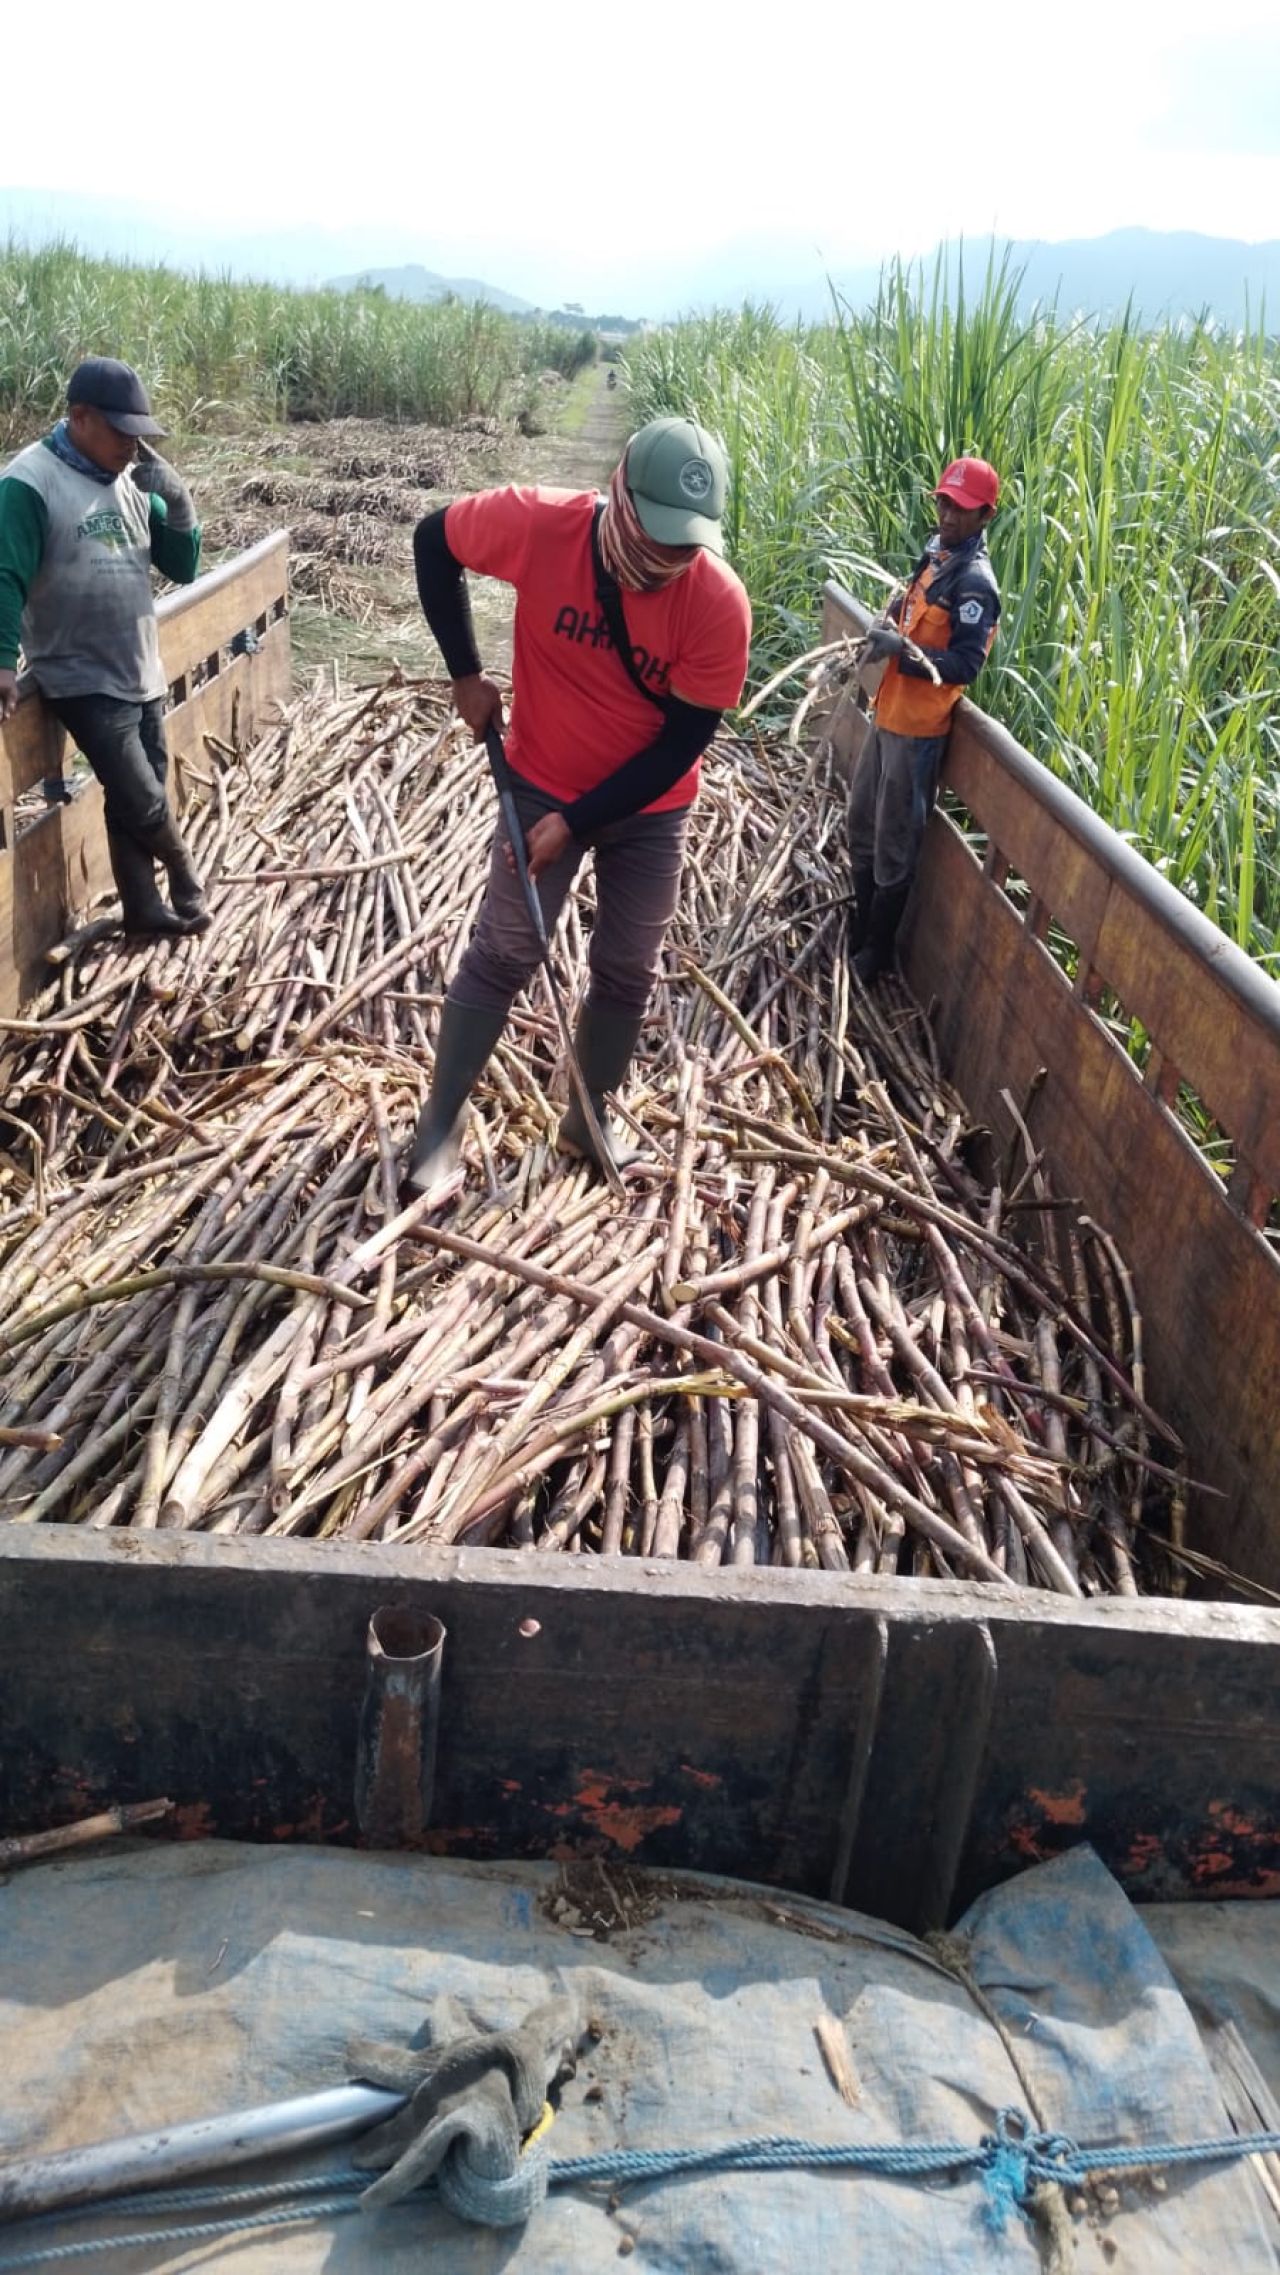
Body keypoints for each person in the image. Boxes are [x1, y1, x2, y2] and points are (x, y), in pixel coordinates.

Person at [405, 415, 752, 1193]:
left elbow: (677, 750)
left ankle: (589, 1120)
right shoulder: (540, 524)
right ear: (621, 497)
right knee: (504, 948)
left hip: (649, 806)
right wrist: (465, 671)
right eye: (655, 535)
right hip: (539, 778)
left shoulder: (717, 603)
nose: (667, 557)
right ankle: (440, 1122)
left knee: (628, 966)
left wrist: (578, 822)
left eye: (685, 544)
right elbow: (435, 542)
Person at [0, 357, 210, 937]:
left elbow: (184, 566)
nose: (132, 444)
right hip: (78, 671)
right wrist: (1, 661)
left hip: (140, 665)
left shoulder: (131, 480)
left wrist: (178, 501)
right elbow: (5, 574)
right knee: (143, 797)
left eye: (139, 433)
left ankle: (142, 911)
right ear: (80, 418)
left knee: (131, 798)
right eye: (121, 431)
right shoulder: (30, 481)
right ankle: (184, 872)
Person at [848, 456, 1001, 982]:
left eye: (962, 509)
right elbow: (907, 611)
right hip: (886, 714)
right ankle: (858, 926)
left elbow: (965, 665)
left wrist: (903, 652)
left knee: (894, 845)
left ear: (985, 516)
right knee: (861, 820)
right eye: (943, 502)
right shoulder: (935, 554)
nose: (949, 515)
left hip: (918, 735)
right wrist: (885, 624)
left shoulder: (976, 583)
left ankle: (876, 951)